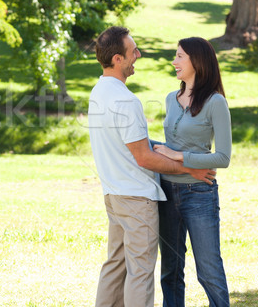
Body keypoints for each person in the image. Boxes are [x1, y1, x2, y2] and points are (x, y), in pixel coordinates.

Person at [87, 27, 217, 307]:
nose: (138, 55)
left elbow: (136, 146)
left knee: (115, 266)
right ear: (119, 59)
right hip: (136, 200)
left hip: (114, 195)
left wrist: (171, 152)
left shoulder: (99, 91)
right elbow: (144, 157)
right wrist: (190, 169)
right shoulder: (126, 100)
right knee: (140, 273)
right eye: (133, 51)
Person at [153, 37, 232, 307]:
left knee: (208, 271)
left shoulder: (215, 102)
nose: (174, 61)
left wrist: (178, 156)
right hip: (166, 190)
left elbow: (222, 157)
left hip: (198, 193)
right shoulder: (170, 99)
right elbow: (165, 146)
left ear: (196, 61)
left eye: (179, 56)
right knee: (170, 271)